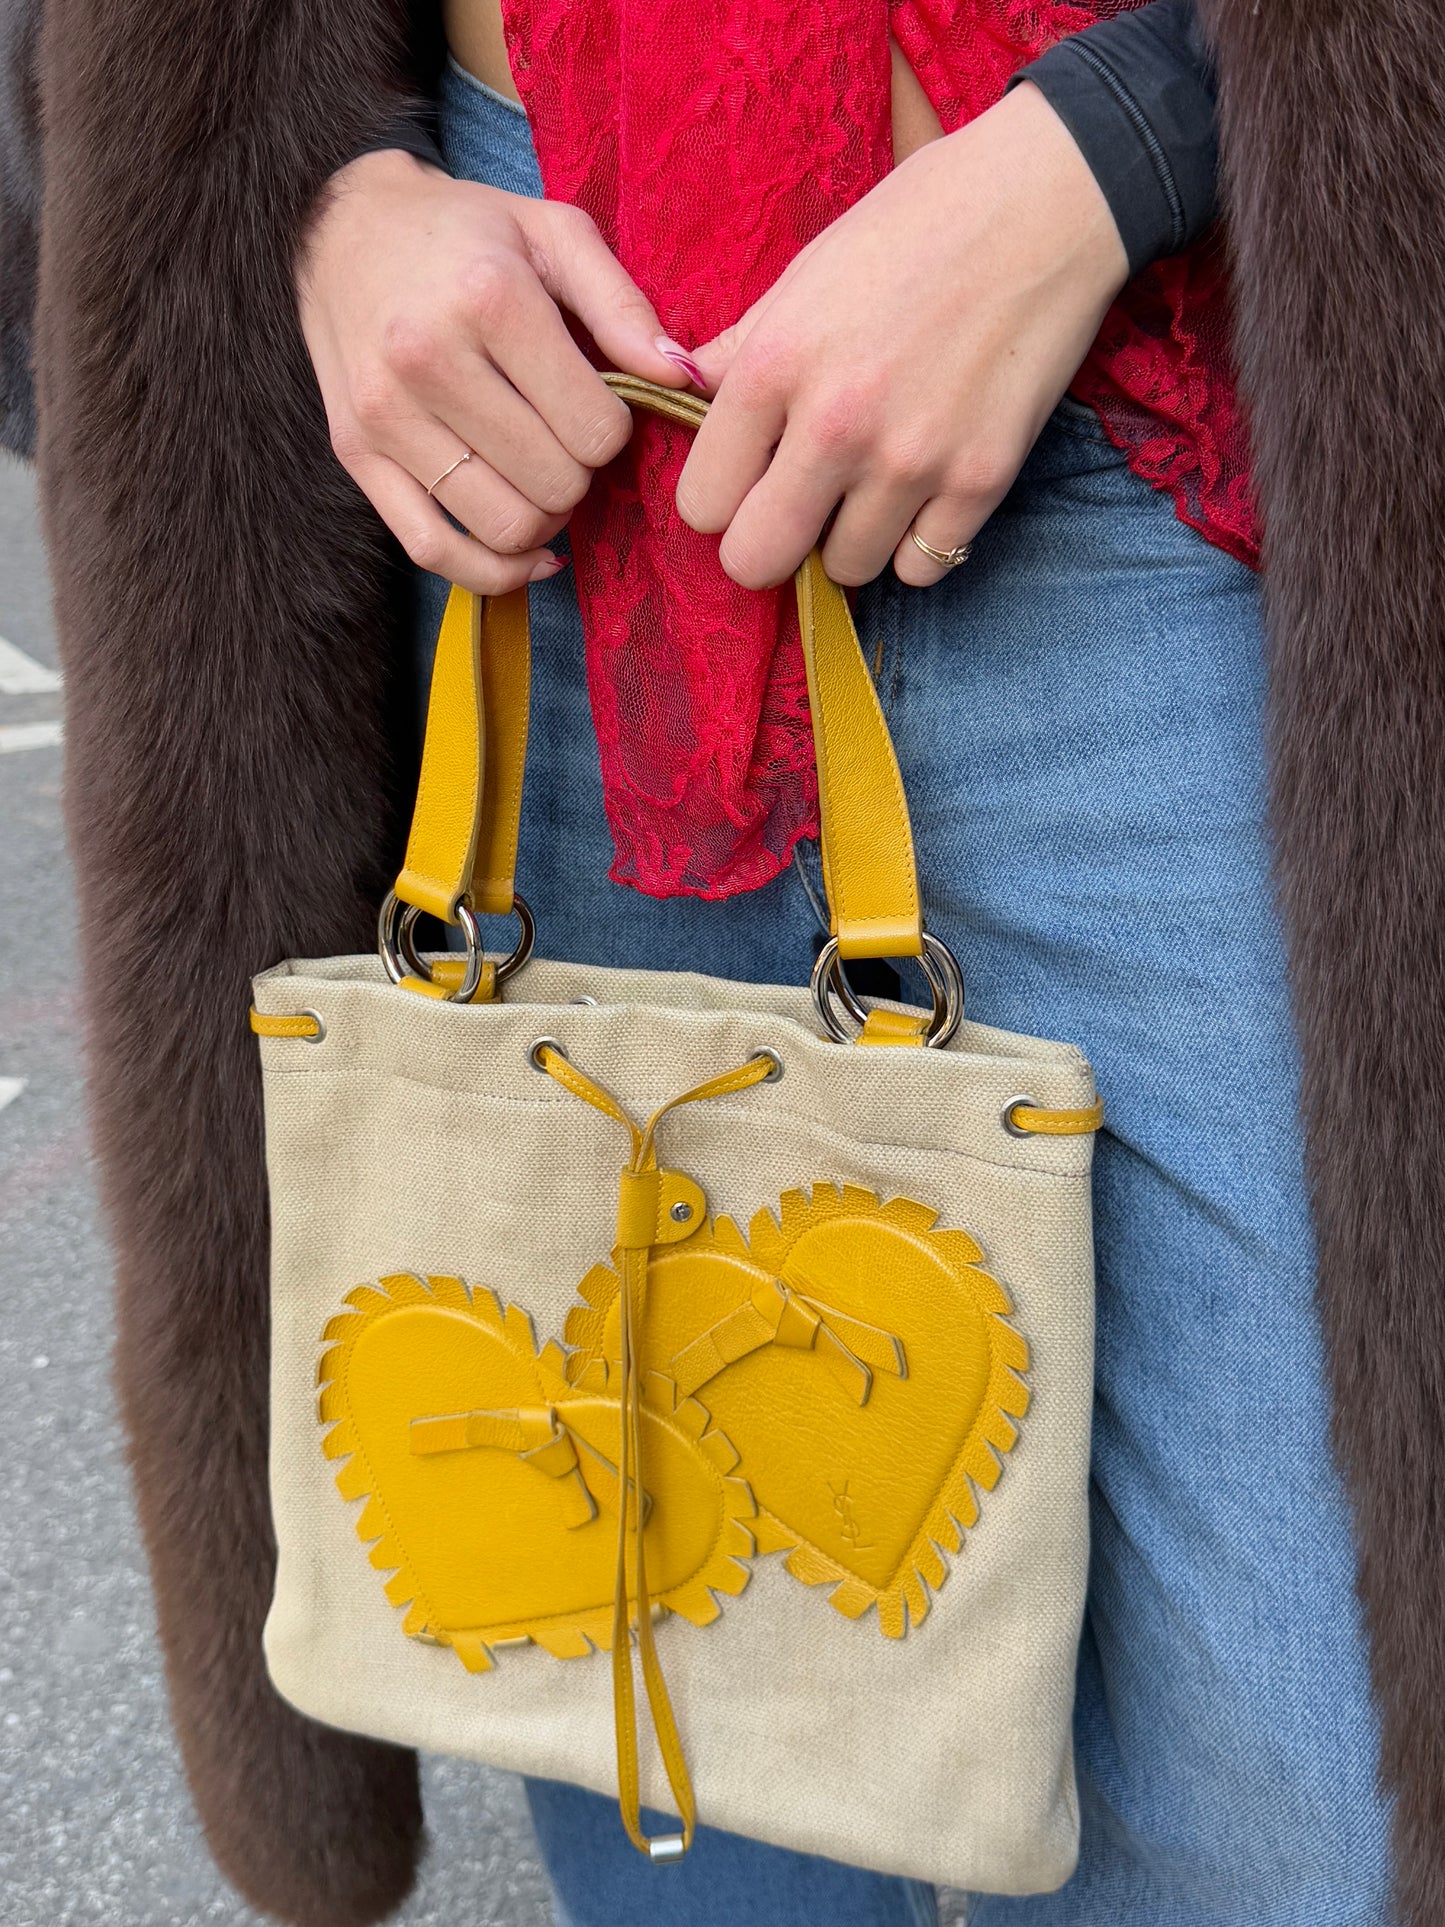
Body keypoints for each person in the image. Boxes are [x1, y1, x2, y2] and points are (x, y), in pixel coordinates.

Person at [3, 2, 1445, 1925]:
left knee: (1307, 1792)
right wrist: (312, 198)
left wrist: (1118, 138)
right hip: (533, 357)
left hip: (1182, 355)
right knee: (679, 1729)